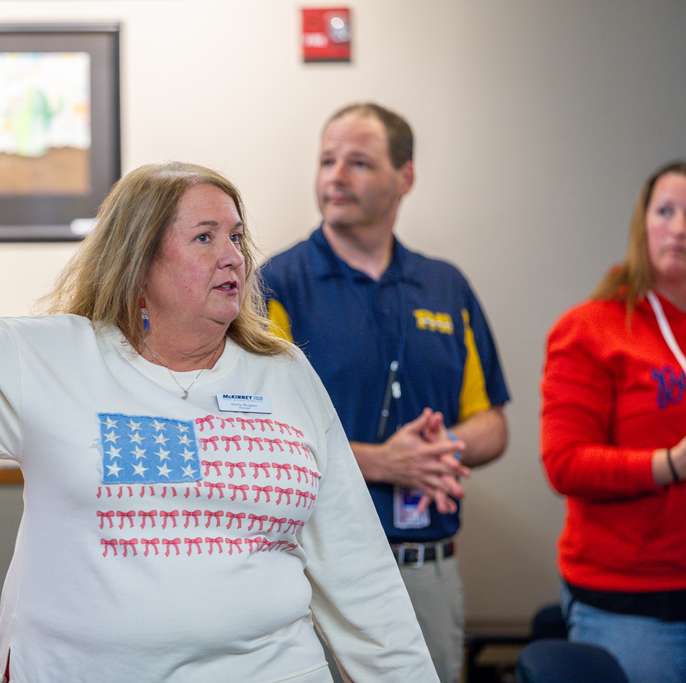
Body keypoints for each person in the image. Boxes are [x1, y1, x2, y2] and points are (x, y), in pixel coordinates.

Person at [0, 109, 438, 683]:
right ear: (140, 260)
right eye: (205, 237)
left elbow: (359, 574)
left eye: (236, 236)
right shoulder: (52, 358)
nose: (233, 256)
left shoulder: (283, 374)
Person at [261, 102, 510, 683]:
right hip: (312, 570)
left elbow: (491, 425)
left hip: (426, 569)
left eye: (358, 162)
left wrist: (435, 448)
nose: (335, 176)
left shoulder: (446, 287)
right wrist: (381, 462)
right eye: (326, 160)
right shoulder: (277, 284)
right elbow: (259, 439)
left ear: (406, 177)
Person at [540, 161, 686, 683]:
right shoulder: (592, 329)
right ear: (642, 226)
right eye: (666, 211)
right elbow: (565, 465)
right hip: (636, 603)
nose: (681, 226)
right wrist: (671, 463)